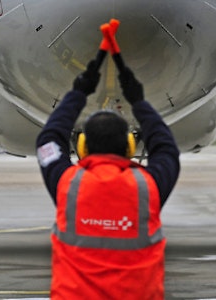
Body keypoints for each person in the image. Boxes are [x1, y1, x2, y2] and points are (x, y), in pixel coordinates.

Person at [36, 57, 181, 299]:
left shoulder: (68, 185)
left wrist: (78, 94)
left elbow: (48, 141)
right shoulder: (148, 187)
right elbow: (167, 150)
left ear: (83, 147)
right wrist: (139, 102)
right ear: (128, 146)